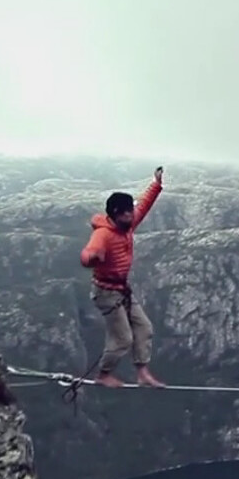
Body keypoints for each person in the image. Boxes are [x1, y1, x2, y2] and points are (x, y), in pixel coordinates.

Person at [80, 166, 167, 388]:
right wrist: (92, 258)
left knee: (144, 328)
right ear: (115, 214)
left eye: (130, 211)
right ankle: (103, 374)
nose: (131, 215)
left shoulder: (126, 225)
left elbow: (144, 205)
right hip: (106, 293)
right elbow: (88, 254)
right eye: (126, 212)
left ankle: (142, 373)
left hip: (121, 290)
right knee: (123, 339)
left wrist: (156, 184)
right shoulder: (103, 234)